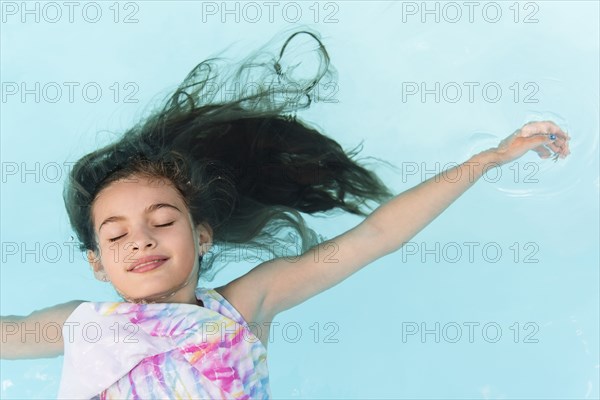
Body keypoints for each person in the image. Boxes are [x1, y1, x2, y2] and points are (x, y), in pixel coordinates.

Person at [0, 28, 571, 399]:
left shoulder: (246, 306)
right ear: (98, 264)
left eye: (163, 220)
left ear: (202, 234)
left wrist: (488, 159)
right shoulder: (82, 324)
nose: (142, 240)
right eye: (117, 234)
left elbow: (375, 236)